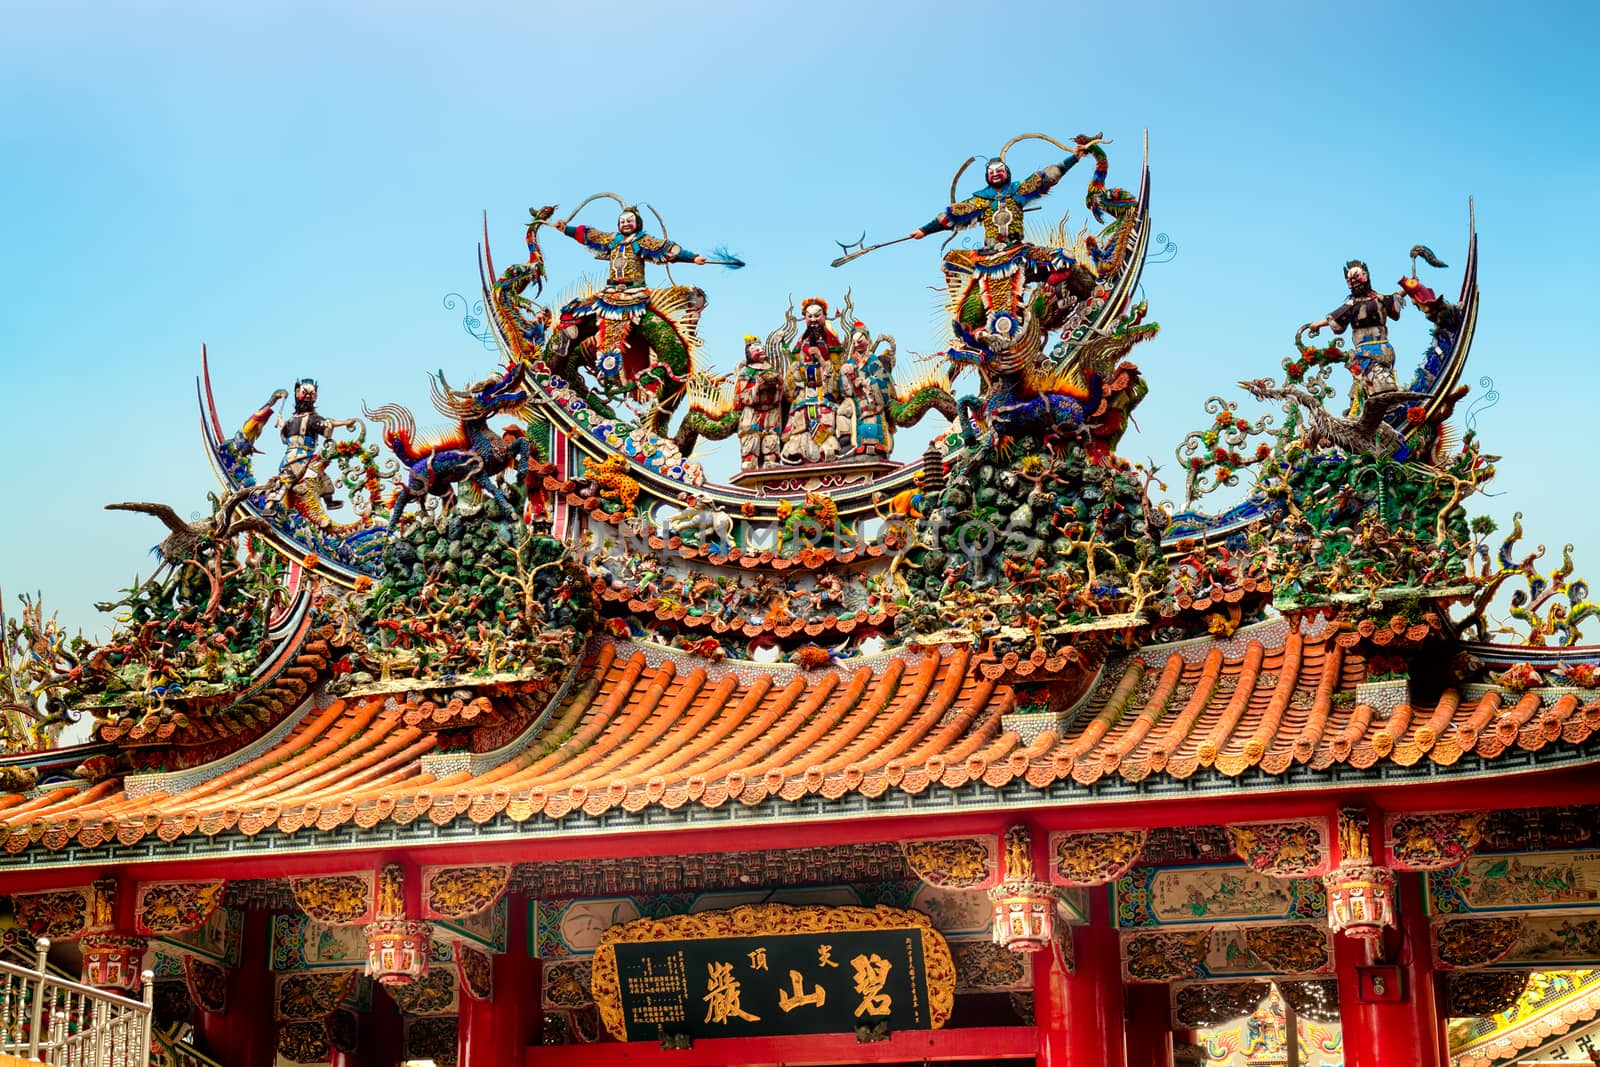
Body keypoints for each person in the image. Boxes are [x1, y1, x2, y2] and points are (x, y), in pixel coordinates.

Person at [551, 206, 709, 385]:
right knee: (571, 312)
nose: (626, 224)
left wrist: (693, 257)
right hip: (609, 293)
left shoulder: (643, 241)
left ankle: (610, 370)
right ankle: (558, 361)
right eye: (622, 221)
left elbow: (667, 249)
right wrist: (565, 229)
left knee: (613, 326)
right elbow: (590, 235)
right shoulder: (612, 239)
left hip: (631, 295)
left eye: (629, 221)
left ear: (637, 224)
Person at [1310, 260, 1406, 392]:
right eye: (1350, 280)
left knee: (1385, 382)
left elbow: (1393, 300)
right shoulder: (1351, 304)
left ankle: (1388, 403)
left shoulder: (1378, 298)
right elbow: (1336, 317)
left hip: (1383, 347)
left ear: (1365, 276)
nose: (1354, 282)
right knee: (1376, 383)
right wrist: (1318, 325)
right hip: (1364, 352)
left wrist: (1409, 287)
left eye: (1357, 277)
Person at [278, 379, 355, 510]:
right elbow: (328, 424)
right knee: (287, 480)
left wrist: (344, 423)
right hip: (296, 456)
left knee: (321, 474)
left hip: (306, 455)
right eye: (305, 393)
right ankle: (271, 503)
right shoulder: (299, 419)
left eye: (311, 393)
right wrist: (345, 422)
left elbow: (326, 423)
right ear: (298, 393)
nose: (308, 395)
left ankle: (328, 501)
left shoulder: (306, 418)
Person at [734, 336, 784, 470]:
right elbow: (740, 394)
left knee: (771, 434)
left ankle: (771, 459)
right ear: (749, 353)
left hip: (771, 409)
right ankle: (750, 459)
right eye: (756, 349)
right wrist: (756, 387)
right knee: (751, 435)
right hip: (753, 410)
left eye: (762, 348)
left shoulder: (771, 370)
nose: (761, 350)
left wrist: (778, 384)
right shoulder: (746, 372)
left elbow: (781, 390)